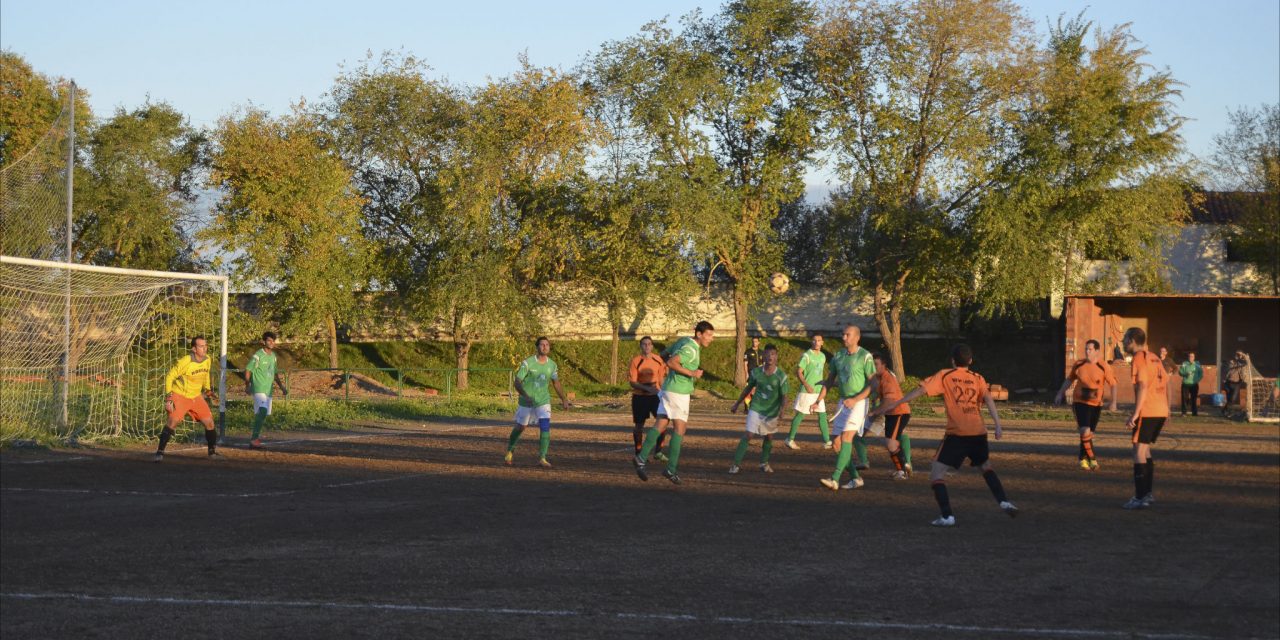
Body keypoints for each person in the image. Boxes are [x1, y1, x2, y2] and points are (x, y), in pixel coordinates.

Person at [870, 344, 1018, 527]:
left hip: (957, 433)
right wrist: (997, 425)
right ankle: (1004, 501)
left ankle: (947, 516)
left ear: (952, 360)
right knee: (986, 467)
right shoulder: (978, 378)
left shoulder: (946, 375)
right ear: (970, 361)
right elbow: (988, 399)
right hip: (978, 432)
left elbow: (921, 390)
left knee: (936, 474)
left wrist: (899, 402)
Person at [633, 321, 716, 484]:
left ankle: (641, 458)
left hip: (669, 389)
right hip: (678, 392)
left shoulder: (683, 340)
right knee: (680, 429)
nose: (711, 338)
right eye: (709, 335)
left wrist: (666, 375)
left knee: (661, 424)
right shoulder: (691, 349)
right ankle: (670, 469)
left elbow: (663, 355)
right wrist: (692, 373)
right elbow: (671, 362)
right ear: (699, 334)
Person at [815, 325, 876, 491]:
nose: (844, 337)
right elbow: (829, 380)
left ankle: (834, 478)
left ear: (857, 337)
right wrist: (818, 400)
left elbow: (874, 383)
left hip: (859, 403)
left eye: (847, 335)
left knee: (847, 437)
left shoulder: (865, 356)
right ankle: (856, 478)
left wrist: (856, 399)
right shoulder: (838, 356)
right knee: (836, 443)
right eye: (843, 334)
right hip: (843, 403)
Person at [504, 337, 572, 468]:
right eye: (542, 345)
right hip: (526, 401)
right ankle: (510, 451)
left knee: (545, 426)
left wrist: (564, 399)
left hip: (543, 400)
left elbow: (556, 382)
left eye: (547, 345)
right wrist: (525, 395)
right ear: (537, 347)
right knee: (521, 427)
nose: (545, 347)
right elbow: (517, 382)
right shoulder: (528, 363)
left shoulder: (552, 365)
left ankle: (542, 458)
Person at [1121, 327, 1170, 510]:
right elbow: (1167, 382)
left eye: (1125, 338)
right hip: (1159, 409)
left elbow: (1142, 386)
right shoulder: (1154, 357)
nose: (1124, 342)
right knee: (1145, 450)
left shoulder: (1139, 358)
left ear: (1133, 340)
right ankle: (1147, 494)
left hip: (1148, 410)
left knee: (1138, 451)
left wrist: (1135, 413)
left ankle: (1140, 496)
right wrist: (1167, 409)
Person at [154, 336, 221, 462]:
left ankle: (212, 452)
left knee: (209, 422)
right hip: (180, 395)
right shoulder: (186, 361)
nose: (204, 348)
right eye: (201, 346)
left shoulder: (207, 359)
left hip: (196, 396)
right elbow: (169, 376)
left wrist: (207, 390)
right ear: (194, 349)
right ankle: (160, 452)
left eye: (205, 345)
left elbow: (206, 375)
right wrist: (169, 398)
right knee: (173, 421)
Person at [1054, 339, 1116, 470]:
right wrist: (1060, 393)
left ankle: (1083, 458)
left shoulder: (1104, 366)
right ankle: (1092, 459)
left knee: (1089, 434)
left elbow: (1113, 384)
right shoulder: (1079, 364)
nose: (1087, 351)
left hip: (1096, 404)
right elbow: (1069, 379)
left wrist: (1113, 402)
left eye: (1090, 349)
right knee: (1084, 430)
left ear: (1097, 351)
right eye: (1086, 349)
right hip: (1080, 403)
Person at [728, 344, 789, 474]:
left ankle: (764, 462)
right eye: (767, 354)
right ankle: (735, 464)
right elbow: (748, 389)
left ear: (776, 357)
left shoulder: (781, 376)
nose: (770, 357)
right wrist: (737, 403)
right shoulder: (756, 372)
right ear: (763, 356)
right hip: (756, 407)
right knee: (749, 434)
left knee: (769, 437)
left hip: (771, 411)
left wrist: (782, 411)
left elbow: (785, 396)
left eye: (773, 354)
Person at [784, 333, 832, 450]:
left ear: (822, 342)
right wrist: (806, 385)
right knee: (800, 415)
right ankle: (789, 439)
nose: (816, 342)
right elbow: (799, 371)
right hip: (807, 391)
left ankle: (827, 441)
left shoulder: (823, 356)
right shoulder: (806, 355)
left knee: (822, 414)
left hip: (818, 391)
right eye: (814, 340)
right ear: (812, 342)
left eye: (819, 340)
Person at [870, 353, 913, 480]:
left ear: (884, 365)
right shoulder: (880, 377)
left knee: (891, 444)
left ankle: (903, 470)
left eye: (876, 364)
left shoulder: (888, 378)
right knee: (891, 444)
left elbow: (888, 400)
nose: (874, 366)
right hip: (891, 413)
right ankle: (902, 468)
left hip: (899, 412)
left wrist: (875, 411)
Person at [244, 331, 288, 448]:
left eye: (273, 341)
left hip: (268, 390)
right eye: (269, 340)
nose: (271, 343)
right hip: (258, 388)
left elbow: (274, 374)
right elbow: (248, 370)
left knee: (262, 414)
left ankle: (254, 438)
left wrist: (282, 387)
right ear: (264, 342)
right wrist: (247, 385)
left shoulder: (273, 357)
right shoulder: (258, 355)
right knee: (263, 411)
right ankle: (254, 439)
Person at [628, 336, 669, 462]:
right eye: (644, 344)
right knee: (639, 426)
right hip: (640, 397)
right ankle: (639, 453)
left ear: (652, 346)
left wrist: (665, 392)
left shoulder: (658, 360)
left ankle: (658, 451)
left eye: (649, 344)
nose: (647, 346)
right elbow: (632, 382)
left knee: (663, 423)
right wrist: (647, 388)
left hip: (655, 397)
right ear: (641, 346)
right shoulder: (636, 361)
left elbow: (661, 378)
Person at [1178, 351, 1203, 417]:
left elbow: (1201, 374)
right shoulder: (1184, 363)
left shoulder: (1197, 364)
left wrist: (1196, 380)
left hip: (1194, 385)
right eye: (1189, 356)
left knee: (1194, 399)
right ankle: (1184, 413)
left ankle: (1194, 413)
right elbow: (1180, 372)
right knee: (1184, 399)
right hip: (1185, 384)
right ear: (1188, 357)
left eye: (1192, 356)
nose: (1191, 357)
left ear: (1194, 357)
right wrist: (1186, 374)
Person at [1222, 351, 1247, 417]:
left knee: (1233, 399)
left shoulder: (1240, 363)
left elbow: (1246, 362)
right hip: (1228, 383)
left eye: (1238, 356)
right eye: (1237, 355)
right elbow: (1229, 366)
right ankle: (1227, 412)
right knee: (1229, 399)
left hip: (1237, 384)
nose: (1237, 357)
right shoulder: (1230, 363)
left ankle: (1225, 411)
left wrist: (1243, 355)